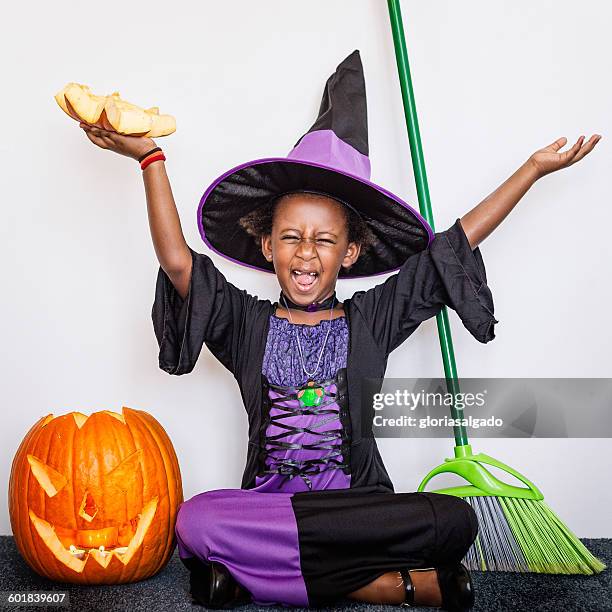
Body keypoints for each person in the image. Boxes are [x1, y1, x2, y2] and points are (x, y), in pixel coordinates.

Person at [78, 50, 600, 611]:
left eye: (324, 240)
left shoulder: (372, 318)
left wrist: (531, 170)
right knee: (197, 519)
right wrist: (150, 158)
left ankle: (252, 580)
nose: (306, 253)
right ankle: (383, 584)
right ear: (265, 244)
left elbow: (455, 244)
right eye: (290, 237)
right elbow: (180, 263)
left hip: (357, 506)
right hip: (272, 504)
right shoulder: (245, 322)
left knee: (451, 518)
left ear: (349, 252)